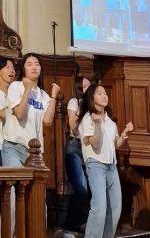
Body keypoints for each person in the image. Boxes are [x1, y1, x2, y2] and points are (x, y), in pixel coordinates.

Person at [78, 83, 133, 238]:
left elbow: (115, 144)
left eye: (105, 93)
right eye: (99, 93)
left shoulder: (110, 122)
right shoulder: (88, 118)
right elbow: (95, 144)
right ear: (91, 98)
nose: (104, 96)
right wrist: (97, 124)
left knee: (115, 208)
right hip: (96, 164)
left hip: (111, 166)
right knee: (99, 207)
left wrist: (124, 134)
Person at [1, 52, 60, 167]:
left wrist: (54, 96)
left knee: (37, 180)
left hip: (34, 150)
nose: (34, 67)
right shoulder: (16, 86)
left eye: (37, 64)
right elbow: (19, 114)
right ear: (24, 69)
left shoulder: (43, 95)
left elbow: (47, 121)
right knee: (16, 179)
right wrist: (27, 89)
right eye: (29, 64)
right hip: (14, 146)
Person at [63, 74, 91, 235]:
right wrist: (82, 105)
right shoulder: (75, 102)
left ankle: (82, 223)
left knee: (91, 188)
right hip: (75, 146)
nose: (88, 88)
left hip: (89, 147)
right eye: (84, 86)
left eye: (89, 85)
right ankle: (70, 225)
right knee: (81, 188)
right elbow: (73, 126)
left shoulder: (94, 104)